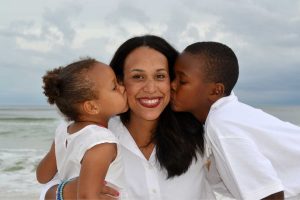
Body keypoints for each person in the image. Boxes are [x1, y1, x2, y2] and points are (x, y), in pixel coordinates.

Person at [40, 35, 216, 200]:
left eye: (160, 76)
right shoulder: (95, 135)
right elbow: (47, 184)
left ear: (172, 81)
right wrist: (66, 192)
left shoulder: (203, 132)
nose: (150, 88)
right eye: (138, 77)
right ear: (120, 81)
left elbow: (239, 182)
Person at [170, 41, 300, 200]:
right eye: (173, 77)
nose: (172, 85)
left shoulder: (223, 125)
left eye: (182, 81)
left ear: (215, 90)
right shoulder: (229, 116)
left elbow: (270, 195)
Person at [36, 58, 129, 199]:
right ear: (92, 107)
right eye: (114, 87)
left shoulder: (64, 129)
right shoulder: (102, 142)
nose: (123, 88)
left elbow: (42, 176)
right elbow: (86, 197)